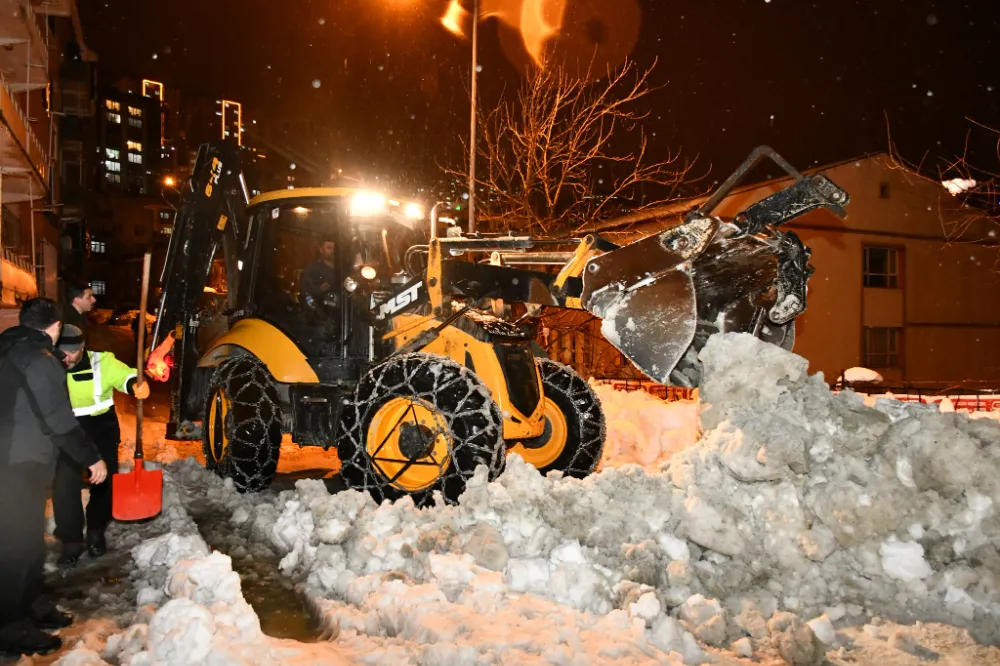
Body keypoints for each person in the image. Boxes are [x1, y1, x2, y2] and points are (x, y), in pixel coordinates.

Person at [0, 298, 106, 657]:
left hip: (12, 461)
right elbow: (59, 422)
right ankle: (11, 628)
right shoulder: (39, 361)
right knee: (16, 549)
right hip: (17, 464)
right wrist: (92, 458)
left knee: (27, 542)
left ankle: (34, 606)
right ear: (55, 327)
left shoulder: (9, 348)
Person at [52, 325, 149, 566]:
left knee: (104, 483)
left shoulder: (101, 362)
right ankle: (71, 541)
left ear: (82, 347)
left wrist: (136, 384)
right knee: (64, 486)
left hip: (100, 429)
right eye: (61, 352)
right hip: (67, 431)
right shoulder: (48, 363)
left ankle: (96, 529)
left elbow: (125, 376)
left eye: (72, 352)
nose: (67, 358)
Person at [300, 239, 338, 309]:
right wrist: (313, 307)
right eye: (329, 248)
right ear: (321, 249)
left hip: (341, 312)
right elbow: (305, 290)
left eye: (334, 248)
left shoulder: (341, 268)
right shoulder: (313, 267)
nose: (332, 251)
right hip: (321, 312)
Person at [63, 281, 96, 346]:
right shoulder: (68, 322)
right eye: (89, 297)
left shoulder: (80, 318)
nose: (94, 300)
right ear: (77, 300)